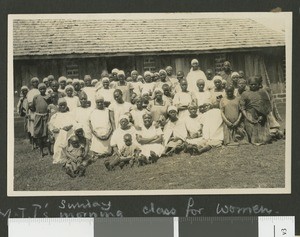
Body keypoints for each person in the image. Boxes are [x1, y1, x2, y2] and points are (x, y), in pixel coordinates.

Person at [239, 76, 271, 145]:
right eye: (251, 84)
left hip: (262, 116)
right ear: (248, 85)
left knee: (265, 139)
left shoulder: (263, 92)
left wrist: (263, 115)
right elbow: (242, 108)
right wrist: (248, 118)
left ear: (258, 84)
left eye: (255, 84)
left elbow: (267, 105)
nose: (253, 86)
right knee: (253, 138)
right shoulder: (245, 94)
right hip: (250, 115)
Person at [48, 98, 77, 164]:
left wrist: (70, 126)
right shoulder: (55, 115)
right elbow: (51, 125)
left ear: (66, 105)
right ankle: (60, 157)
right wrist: (53, 130)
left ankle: (71, 156)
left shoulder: (71, 114)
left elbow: (75, 123)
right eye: (61, 105)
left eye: (64, 105)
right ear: (58, 106)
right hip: (59, 135)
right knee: (59, 146)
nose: (63, 107)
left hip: (70, 133)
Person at [89, 95, 113, 159]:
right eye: (98, 102)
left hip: (107, 134)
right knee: (97, 150)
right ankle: (98, 153)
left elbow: (111, 123)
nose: (99, 104)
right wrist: (97, 135)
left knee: (107, 151)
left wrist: (108, 134)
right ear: (96, 103)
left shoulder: (107, 110)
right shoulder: (92, 112)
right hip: (97, 134)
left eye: (101, 102)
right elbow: (91, 126)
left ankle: (105, 153)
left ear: (103, 102)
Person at [32, 83, 51, 157]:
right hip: (38, 117)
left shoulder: (48, 97)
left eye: (44, 88)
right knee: (39, 134)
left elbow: (50, 105)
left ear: (46, 89)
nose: (42, 90)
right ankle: (41, 151)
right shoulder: (36, 97)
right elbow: (33, 107)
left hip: (46, 116)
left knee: (47, 134)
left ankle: (50, 151)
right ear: (38, 89)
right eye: (41, 89)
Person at [27, 77, 40, 147]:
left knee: (38, 125)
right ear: (31, 83)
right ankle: (33, 142)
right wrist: (32, 108)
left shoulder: (40, 90)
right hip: (33, 110)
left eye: (36, 82)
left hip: (39, 110)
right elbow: (29, 102)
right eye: (34, 82)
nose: (35, 83)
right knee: (33, 126)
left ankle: (39, 142)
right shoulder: (30, 92)